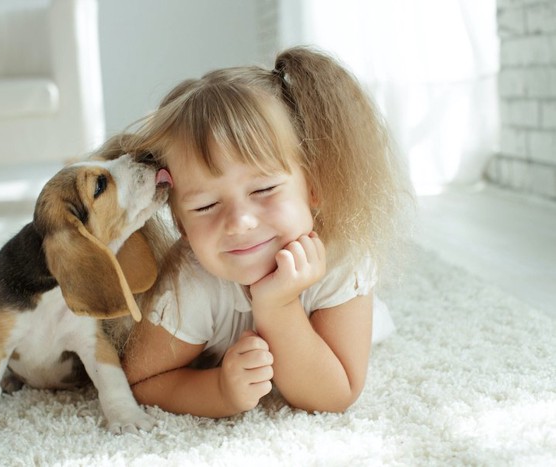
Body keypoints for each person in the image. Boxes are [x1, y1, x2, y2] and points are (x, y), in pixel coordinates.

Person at [120, 46, 413, 418]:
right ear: (180, 225)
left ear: (314, 184)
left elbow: (336, 395)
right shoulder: (191, 280)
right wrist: (220, 391)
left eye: (263, 190)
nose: (240, 222)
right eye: (205, 207)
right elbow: (142, 380)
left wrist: (278, 306)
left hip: (331, 335)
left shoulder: (343, 256)